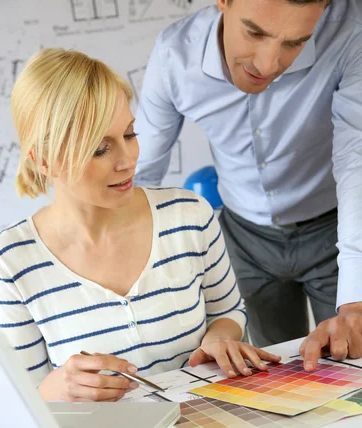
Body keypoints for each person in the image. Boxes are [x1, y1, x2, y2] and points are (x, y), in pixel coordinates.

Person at [0, 48, 280, 403]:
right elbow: (21, 398)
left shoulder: (189, 215)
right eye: (99, 148)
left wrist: (219, 338)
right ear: (44, 161)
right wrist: (55, 388)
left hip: (211, 424)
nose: (127, 161)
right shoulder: (11, 259)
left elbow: (229, 311)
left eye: (129, 134)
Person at [134, 0, 362, 370]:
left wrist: (356, 302)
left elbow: (358, 161)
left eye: (296, 42)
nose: (268, 65)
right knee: (279, 373)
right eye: (254, 32)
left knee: (350, 367)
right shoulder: (175, 55)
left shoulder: (351, 30)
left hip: (336, 231)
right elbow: (139, 174)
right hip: (244, 241)